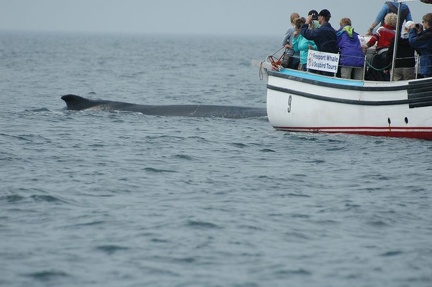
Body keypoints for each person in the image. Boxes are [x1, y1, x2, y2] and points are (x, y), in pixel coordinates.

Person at [363, 13, 397, 81]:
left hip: (382, 53)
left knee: (378, 70)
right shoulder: (395, 32)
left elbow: (374, 39)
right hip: (391, 54)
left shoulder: (381, 29)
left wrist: (366, 46)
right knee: (387, 71)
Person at [409, 13, 432, 78]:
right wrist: (420, 32)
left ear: (427, 22)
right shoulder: (426, 34)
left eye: (423, 22)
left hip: (428, 65)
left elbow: (412, 42)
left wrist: (412, 29)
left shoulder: (427, 36)